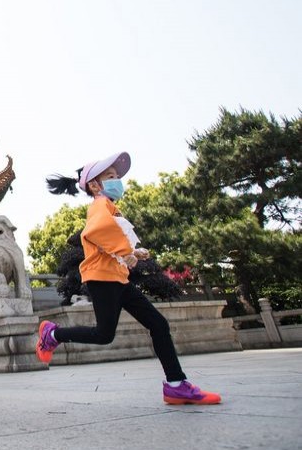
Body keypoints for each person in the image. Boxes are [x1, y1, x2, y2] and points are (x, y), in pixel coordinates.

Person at [41, 151, 221, 405]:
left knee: (158, 325)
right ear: (95, 185)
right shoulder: (101, 205)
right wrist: (127, 252)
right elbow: (96, 231)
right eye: (111, 176)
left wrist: (133, 252)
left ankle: (176, 384)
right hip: (102, 278)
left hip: (117, 278)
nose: (117, 181)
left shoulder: (111, 208)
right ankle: (53, 334)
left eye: (116, 176)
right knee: (105, 334)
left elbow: (110, 239)